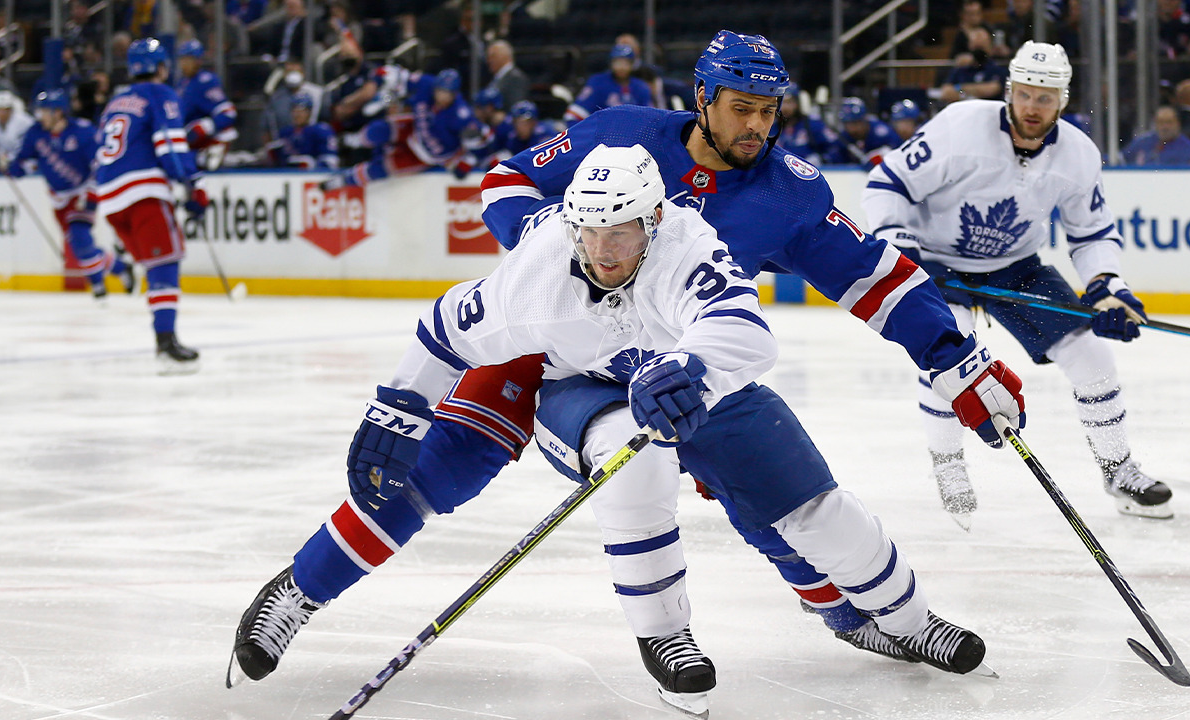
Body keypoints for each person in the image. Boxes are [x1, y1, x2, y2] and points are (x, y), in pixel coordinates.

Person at [229, 30, 1028, 707]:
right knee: (436, 467)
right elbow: (507, 179)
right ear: (703, 98)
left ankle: (846, 607)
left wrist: (952, 358)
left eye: (769, 110)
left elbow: (875, 279)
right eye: (741, 108)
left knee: (761, 470)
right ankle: (299, 591)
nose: (758, 126)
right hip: (559, 333)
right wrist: (557, 246)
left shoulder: (787, 194)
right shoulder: (620, 134)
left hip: (681, 361)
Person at [862, 41, 1173, 528]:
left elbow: (1091, 232)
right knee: (946, 356)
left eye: (1045, 98)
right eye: (1025, 94)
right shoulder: (958, 126)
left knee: (1094, 360)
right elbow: (887, 185)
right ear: (1010, 90)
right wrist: (902, 246)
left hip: (1016, 267)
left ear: (1063, 101)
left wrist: (1107, 283)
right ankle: (947, 463)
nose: (1033, 107)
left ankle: (1118, 471)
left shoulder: (1078, 155)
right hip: (937, 265)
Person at [92, 38, 209, 374]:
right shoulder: (161, 94)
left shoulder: (116, 101)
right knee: (166, 263)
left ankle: (163, 336)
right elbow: (170, 145)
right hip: (142, 192)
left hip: (111, 199)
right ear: (161, 67)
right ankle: (166, 341)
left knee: (155, 265)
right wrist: (192, 184)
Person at [8, 88, 135, 300]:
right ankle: (119, 267)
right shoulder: (36, 133)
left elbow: (99, 164)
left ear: (58, 112)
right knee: (78, 246)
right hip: (57, 196)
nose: (40, 116)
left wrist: (93, 195)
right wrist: (12, 166)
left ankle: (97, 285)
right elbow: (25, 161)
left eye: (45, 111)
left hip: (82, 191)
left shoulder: (83, 132)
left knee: (79, 235)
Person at [324, 68, 485, 186]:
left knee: (383, 167)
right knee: (380, 130)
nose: (440, 96)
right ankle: (352, 140)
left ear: (455, 94)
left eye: (446, 93)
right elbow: (397, 75)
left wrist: (465, 164)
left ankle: (344, 180)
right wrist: (379, 78)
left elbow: (478, 143)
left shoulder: (462, 115)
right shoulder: (426, 84)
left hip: (427, 155)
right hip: (415, 129)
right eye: (439, 90)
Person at [176, 40, 239, 170]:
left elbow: (228, 112)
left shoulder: (205, 81)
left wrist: (207, 126)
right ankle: (201, 157)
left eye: (188, 60)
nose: (184, 64)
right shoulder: (182, 83)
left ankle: (207, 156)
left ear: (198, 61)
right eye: (182, 60)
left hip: (202, 141)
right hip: (185, 137)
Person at [563, 43, 654, 125]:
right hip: (601, 135)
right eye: (617, 62)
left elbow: (650, 118)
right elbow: (574, 115)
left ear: (632, 64)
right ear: (611, 63)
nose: (621, 67)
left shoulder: (641, 86)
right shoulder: (598, 82)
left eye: (625, 63)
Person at [268, 93, 339, 170]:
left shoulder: (321, 130)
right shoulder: (285, 132)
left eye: (301, 110)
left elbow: (331, 161)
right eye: (294, 110)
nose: (297, 114)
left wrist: (313, 165)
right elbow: (278, 162)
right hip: (287, 176)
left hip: (311, 177)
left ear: (309, 112)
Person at [938, 28, 1007, 105]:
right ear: (969, 46)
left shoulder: (997, 68)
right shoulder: (961, 69)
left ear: (990, 47)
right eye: (976, 48)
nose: (978, 53)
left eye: (981, 48)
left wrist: (959, 89)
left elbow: (992, 89)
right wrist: (975, 91)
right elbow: (945, 93)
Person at [777, 83, 840, 165]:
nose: (785, 107)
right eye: (782, 103)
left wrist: (821, 159)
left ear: (798, 103)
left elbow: (836, 149)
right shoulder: (770, 128)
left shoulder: (813, 125)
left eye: (789, 102)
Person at [1122, 104, 1190, 165]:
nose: (1165, 126)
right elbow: (1122, 160)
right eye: (1160, 122)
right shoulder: (1142, 142)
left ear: (1177, 123)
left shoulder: (1188, 148)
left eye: (1169, 122)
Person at [832, 96, 899, 167]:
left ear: (864, 120)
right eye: (847, 124)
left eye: (855, 123)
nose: (852, 128)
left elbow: (897, 151)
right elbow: (834, 162)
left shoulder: (881, 132)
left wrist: (882, 154)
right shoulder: (843, 137)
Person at [0, 90, 34, 173]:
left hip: (26, 160)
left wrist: (9, 157)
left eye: (4, 109)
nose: (0, 113)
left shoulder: (25, 122)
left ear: (10, 109)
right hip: (4, 162)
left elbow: (29, 146)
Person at [485, 40, 530, 112]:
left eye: (493, 56)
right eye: (488, 57)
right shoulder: (497, 78)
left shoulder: (516, 78)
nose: (489, 61)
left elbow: (516, 109)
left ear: (505, 56)